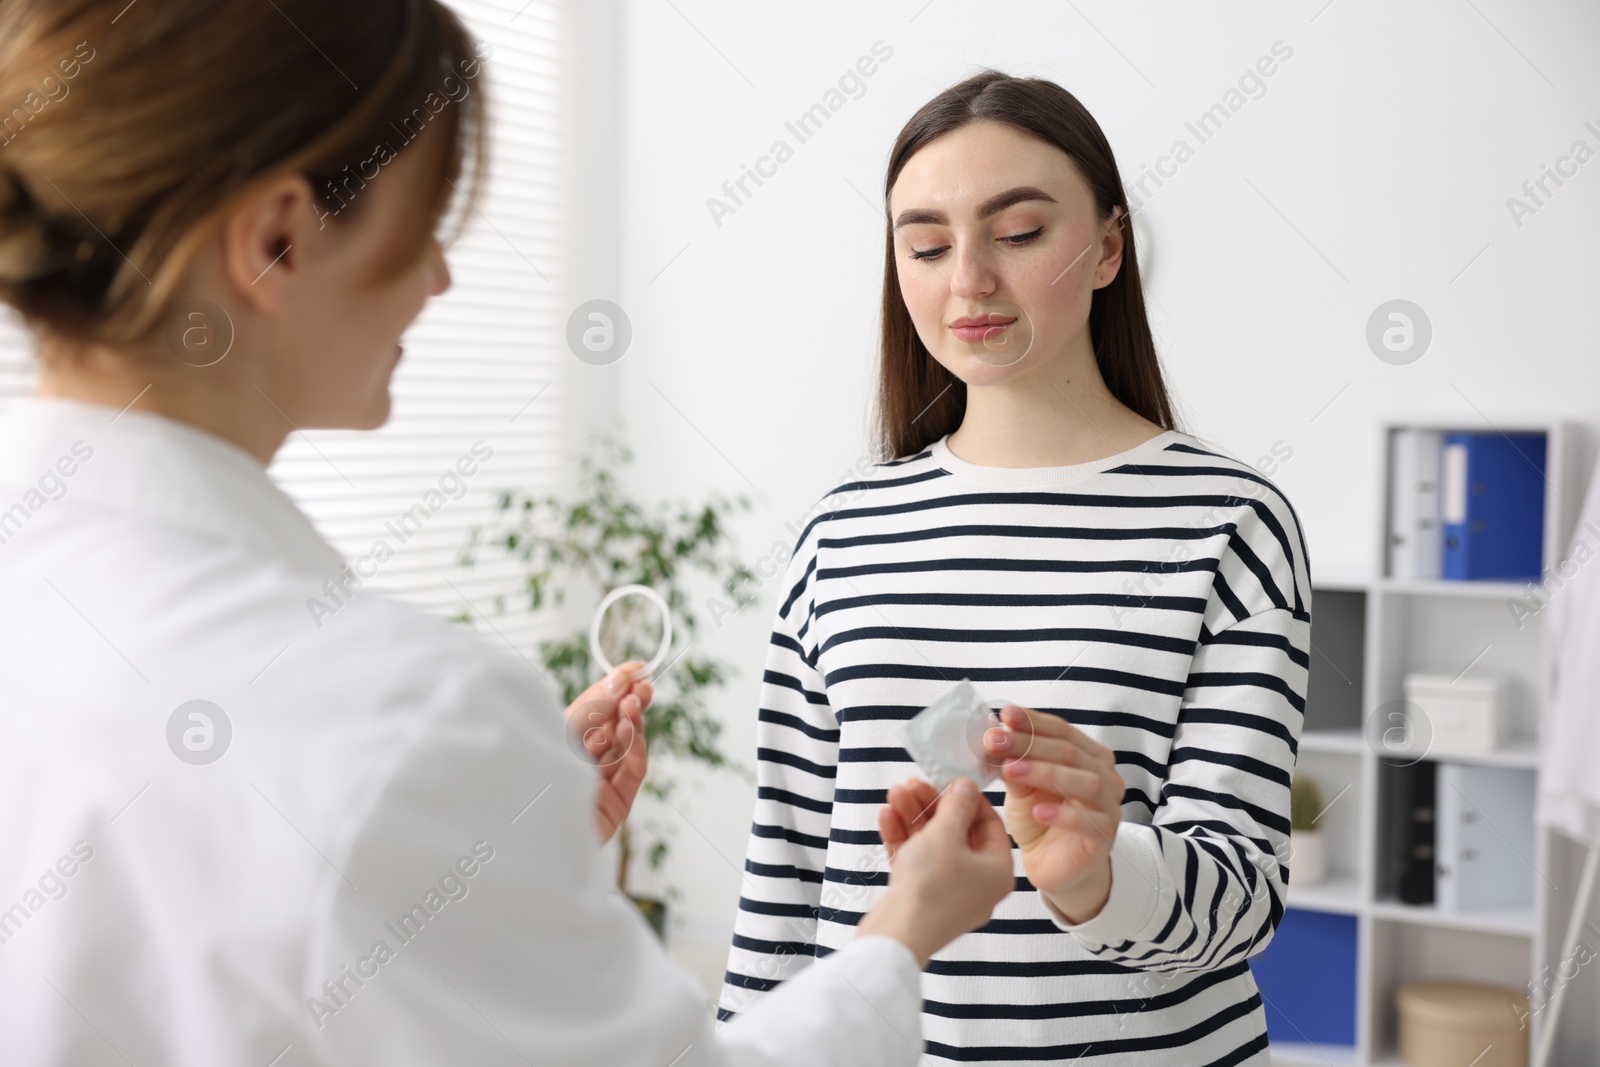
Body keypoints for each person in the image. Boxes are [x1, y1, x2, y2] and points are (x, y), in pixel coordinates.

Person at [0, 2, 1016, 1064]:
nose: (438, 278)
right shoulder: (396, 717)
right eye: (421, 225)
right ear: (277, 240)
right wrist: (905, 931)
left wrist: (485, 866)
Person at [720, 70, 1313, 1065]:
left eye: (1020, 232)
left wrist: (1093, 871)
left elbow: (1242, 895)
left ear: (1107, 248)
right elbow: (784, 876)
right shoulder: (838, 532)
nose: (967, 282)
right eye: (925, 244)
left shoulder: (1228, 522)